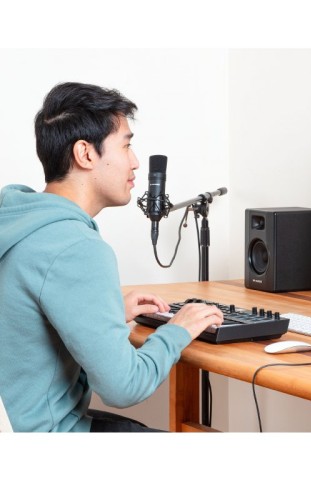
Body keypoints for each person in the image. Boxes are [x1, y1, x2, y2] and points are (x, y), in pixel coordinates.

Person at [0, 82, 224, 432]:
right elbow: (125, 386)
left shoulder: (17, 222)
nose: (135, 162)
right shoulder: (75, 247)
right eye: (126, 145)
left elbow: (20, 328)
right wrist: (178, 330)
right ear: (85, 154)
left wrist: (106, 312)